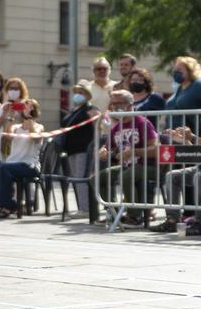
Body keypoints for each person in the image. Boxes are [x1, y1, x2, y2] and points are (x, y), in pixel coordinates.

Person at [93, 90, 159, 228]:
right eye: (113, 103)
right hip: (127, 167)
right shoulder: (116, 127)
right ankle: (114, 213)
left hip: (148, 166)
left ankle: (134, 217)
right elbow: (108, 148)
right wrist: (104, 152)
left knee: (126, 176)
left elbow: (156, 150)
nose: (115, 107)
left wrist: (134, 152)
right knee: (97, 178)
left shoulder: (142, 122)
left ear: (130, 104)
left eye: (119, 103)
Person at [0, 99, 45, 218]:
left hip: (29, 164)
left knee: (5, 168)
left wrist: (29, 119)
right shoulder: (15, 127)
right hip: (13, 163)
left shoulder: (39, 127)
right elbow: (7, 138)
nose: (25, 108)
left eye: (29, 106)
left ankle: (8, 205)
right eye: (24, 106)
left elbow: (34, 138)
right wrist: (10, 116)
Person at [59, 80, 100, 215]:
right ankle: (81, 207)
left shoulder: (90, 109)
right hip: (71, 150)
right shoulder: (73, 110)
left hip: (83, 149)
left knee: (82, 178)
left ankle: (86, 208)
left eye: (81, 93)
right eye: (76, 92)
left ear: (87, 95)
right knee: (76, 178)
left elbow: (98, 125)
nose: (78, 95)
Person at [0, 77, 30, 162]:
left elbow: (28, 125)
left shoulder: (26, 106)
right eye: (11, 88)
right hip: (4, 142)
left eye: (16, 88)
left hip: (19, 141)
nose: (13, 91)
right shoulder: (5, 106)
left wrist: (22, 113)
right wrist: (4, 113)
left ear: (21, 90)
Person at [164, 56, 201, 130]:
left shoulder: (197, 85)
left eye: (179, 69)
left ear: (190, 70)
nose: (175, 72)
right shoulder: (179, 88)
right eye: (175, 69)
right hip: (173, 137)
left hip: (193, 137)